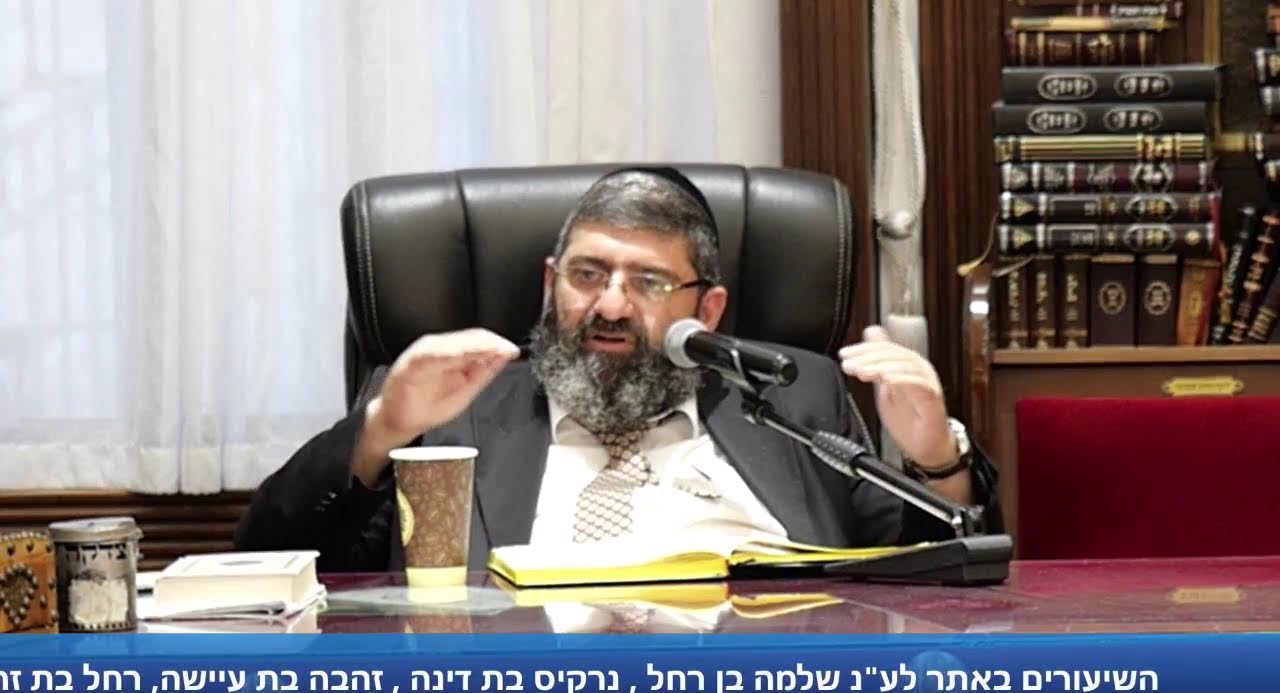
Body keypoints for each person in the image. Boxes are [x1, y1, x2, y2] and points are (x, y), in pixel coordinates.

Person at [234, 167, 1000, 571]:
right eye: (587, 274)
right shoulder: (451, 405)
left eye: (649, 283)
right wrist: (380, 431)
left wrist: (939, 460)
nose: (609, 305)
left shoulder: (793, 397)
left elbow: (935, 581)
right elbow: (271, 559)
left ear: (708, 310)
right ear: (550, 283)